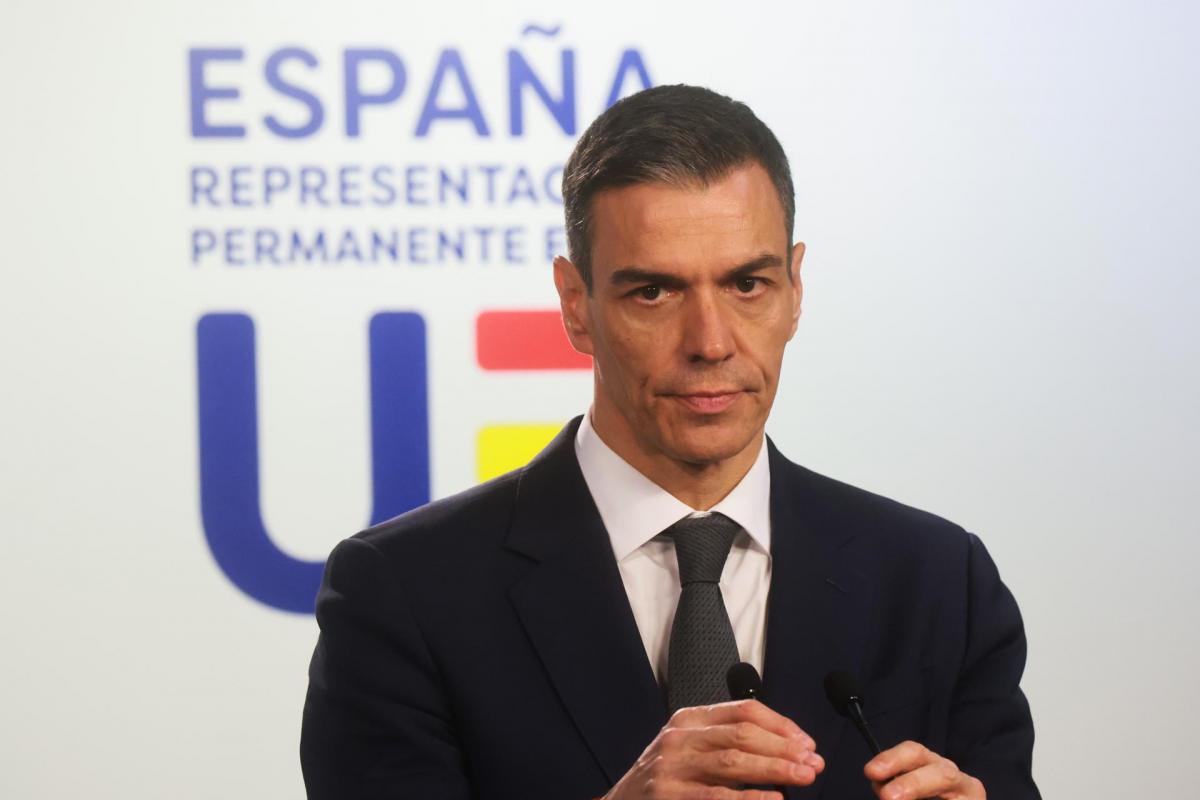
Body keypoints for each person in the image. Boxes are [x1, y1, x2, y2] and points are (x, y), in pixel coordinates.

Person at [300, 85, 1040, 800]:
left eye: (748, 285)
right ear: (576, 305)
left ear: (795, 289)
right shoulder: (405, 593)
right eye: (653, 292)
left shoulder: (939, 583)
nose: (711, 342)